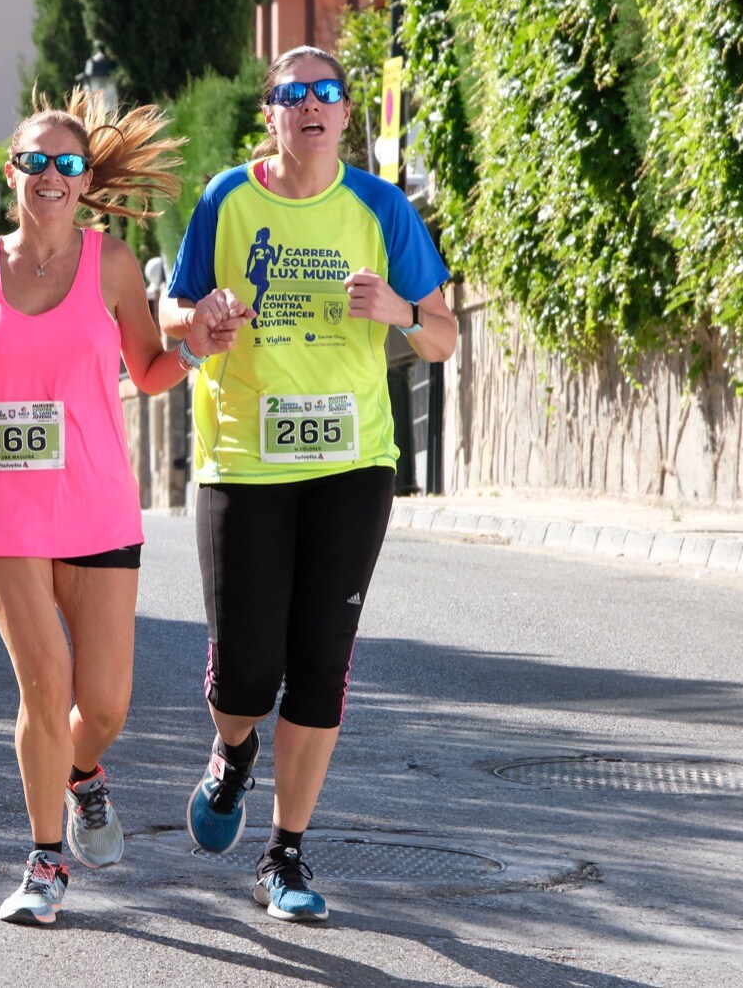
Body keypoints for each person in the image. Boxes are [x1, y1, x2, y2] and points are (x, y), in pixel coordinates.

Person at [0, 92, 247, 926]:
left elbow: (149, 366)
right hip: (3, 513)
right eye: (35, 161)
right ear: (12, 172)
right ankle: (44, 860)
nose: (51, 176)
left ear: (85, 178)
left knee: (102, 705)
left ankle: (82, 772)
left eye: (67, 164)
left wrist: (194, 349)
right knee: (45, 682)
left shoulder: (112, 265)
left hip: (97, 503)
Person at [160, 45, 457, 923]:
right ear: (272, 116)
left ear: (346, 112)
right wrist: (200, 317)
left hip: (353, 462)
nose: (312, 106)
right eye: (294, 95)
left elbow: (443, 335)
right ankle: (232, 754)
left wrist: (400, 312)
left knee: (322, 661)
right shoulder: (227, 199)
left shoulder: (379, 207)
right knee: (247, 672)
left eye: (327, 92)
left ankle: (283, 854)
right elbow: (170, 311)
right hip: (245, 460)